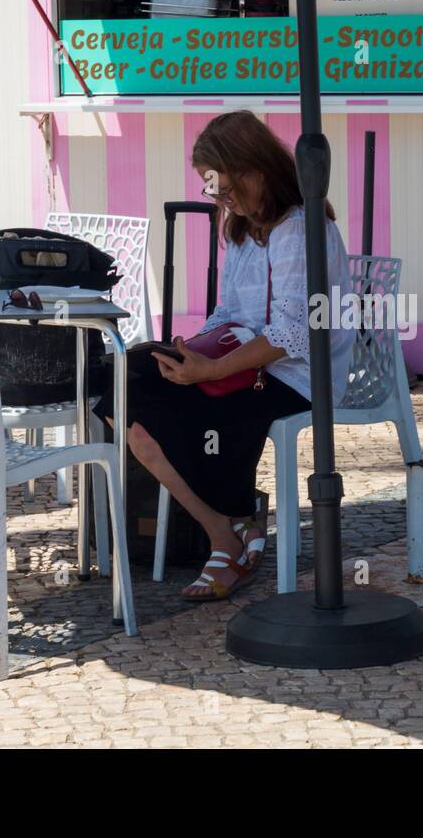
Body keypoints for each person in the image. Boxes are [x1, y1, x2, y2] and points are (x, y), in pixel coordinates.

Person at [97, 110, 353, 601]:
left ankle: (230, 529)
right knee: (126, 385)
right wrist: (187, 353)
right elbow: (230, 311)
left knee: (186, 403)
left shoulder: (298, 229)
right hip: (250, 362)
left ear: (257, 169)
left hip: (299, 375)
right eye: (213, 189)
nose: (221, 198)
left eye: (226, 186)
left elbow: (292, 334)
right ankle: (228, 526)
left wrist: (209, 369)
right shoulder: (243, 228)